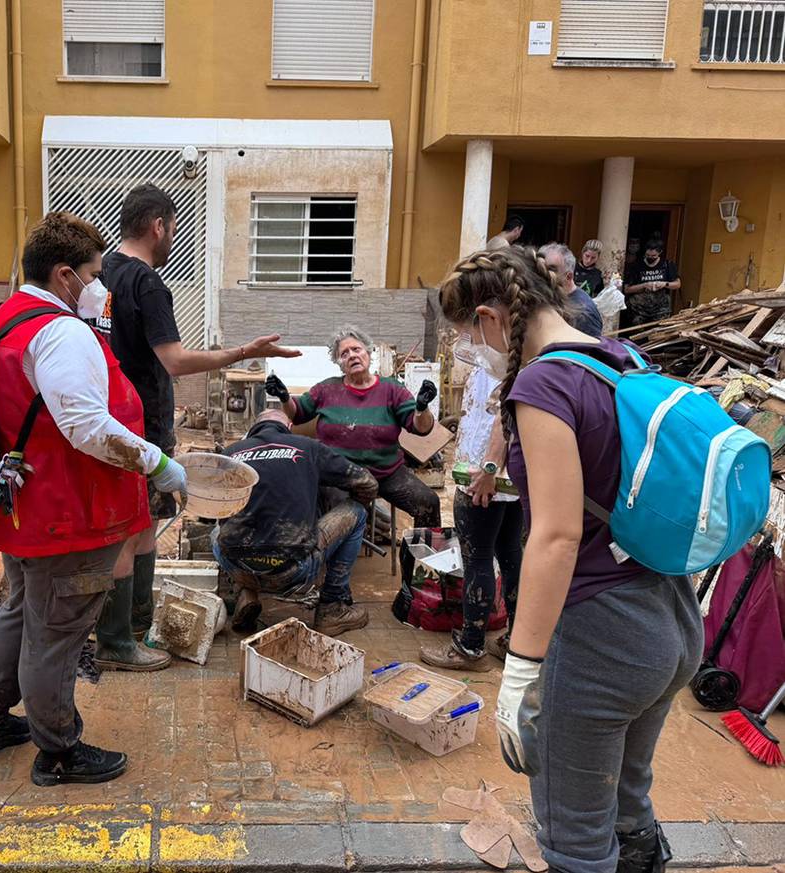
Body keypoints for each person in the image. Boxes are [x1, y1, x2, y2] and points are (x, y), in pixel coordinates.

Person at [437, 246, 703, 873]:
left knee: (576, 837)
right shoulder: (617, 356)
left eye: (466, 337)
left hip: (601, 637)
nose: (469, 351)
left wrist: (522, 669)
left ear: (490, 318)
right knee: (625, 802)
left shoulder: (543, 381)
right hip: (670, 619)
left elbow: (554, 538)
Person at [0, 212, 189, 787]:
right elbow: (87, 425)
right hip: (68, 515)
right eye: (92, 274)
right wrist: (158, 462)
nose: (100, 286)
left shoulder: (7, 316)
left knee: (19, 610)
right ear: (65, 275)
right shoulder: (60, 331)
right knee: (56, 633)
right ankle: (58, 750)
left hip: (25, 504)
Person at [93, 183, 300, 672]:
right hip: (139, 424)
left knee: (140, 527)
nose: (171, 240)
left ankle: (136, 628)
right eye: (171, 229)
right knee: (129, 531)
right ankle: (116, 641)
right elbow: (176, 360)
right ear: (157, 226)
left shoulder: (99, 275)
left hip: (109, 418)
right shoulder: (146, 283)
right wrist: (245, 352)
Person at [212, 410, 378, 636]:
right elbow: (367, 482)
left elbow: (208, 504)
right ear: (288, 426)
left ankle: (245, 591)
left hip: (236, 565)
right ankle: (332, 607)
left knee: (217, 529)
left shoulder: (230, 454)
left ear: (254, 428)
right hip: (293, 570)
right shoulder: (307, 447)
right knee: (357, 513)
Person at [266, 325, 442, 529]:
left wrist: (421, 408)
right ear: (340, 364)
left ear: (368, 352)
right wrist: (284, 397)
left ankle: (423, 556)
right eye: (344, 353)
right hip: (338, 474)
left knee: (429, 502)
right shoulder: (327, 388)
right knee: (339, 519)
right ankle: (340, 556)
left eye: (356, 349)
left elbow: (421, 428)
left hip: (386, 472)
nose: (352, 356)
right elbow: (297, 414)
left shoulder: (391, 388)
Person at [419, 362, 522, 671]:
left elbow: (502, 419)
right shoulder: (522, 358)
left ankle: (471, 646)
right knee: (511, 555)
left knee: (478, 559)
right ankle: (516, 642)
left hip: (481, 477)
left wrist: (489, 468)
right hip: (511, 477)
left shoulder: (502, 362)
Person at [541, 242, 602, 337]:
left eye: (551, 270)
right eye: (540, 269)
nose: (542, 275)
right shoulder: (547, 298)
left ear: (569, 276)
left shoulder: (584, 313)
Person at [624, 240, 680, 327]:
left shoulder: (667, 265)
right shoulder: (636, 266)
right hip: (639, 310)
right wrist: (644, 285)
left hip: (661, 309)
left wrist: (665, 284)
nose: (650, 258)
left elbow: (677, 284)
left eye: (653, 256)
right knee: (637, 333)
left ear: (660, 252)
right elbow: (627, 289)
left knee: (659, 333)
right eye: (648, 255)